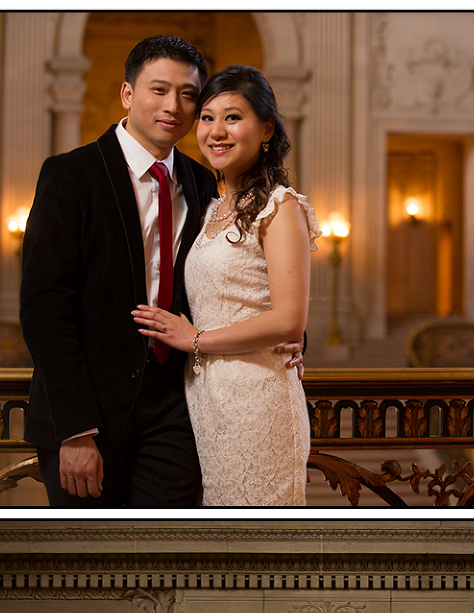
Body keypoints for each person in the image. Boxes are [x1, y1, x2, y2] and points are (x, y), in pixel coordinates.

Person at [19, 35, 218, 506]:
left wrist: (284, 337)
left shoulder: (201, 181)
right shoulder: (71, 175)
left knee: (168, 559)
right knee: (90, 567)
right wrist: (75, 430)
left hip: (174, 405)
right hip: (88, 410)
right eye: (159, 90)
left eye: (188, 94)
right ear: (128, 94)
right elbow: (44, 309)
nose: (174, 106)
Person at [133, 65, 319, 505]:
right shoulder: (211, 205)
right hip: (207, 399)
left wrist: (195, 338)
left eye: (233, 117)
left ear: (266, 128)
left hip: (258, 398)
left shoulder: (281, 205)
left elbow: (290, 319)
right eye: (208, 117)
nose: (217, 131)